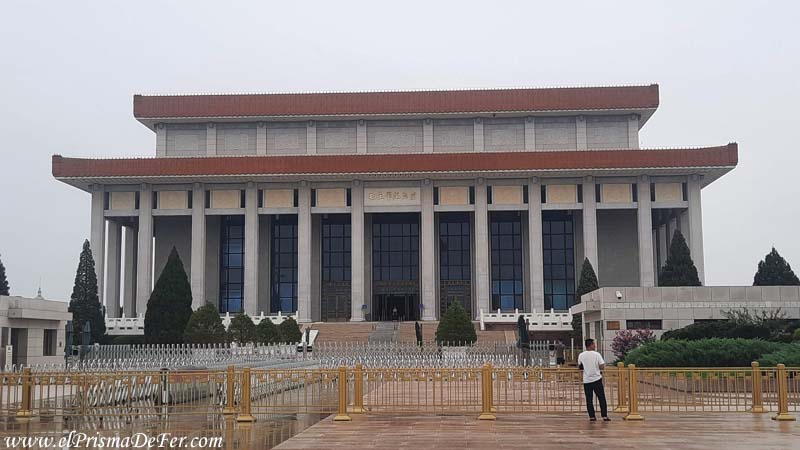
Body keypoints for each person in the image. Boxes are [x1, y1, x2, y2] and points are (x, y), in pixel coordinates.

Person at [578, 338, 610, 422]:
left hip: (587, 380)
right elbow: (602, 365)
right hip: (597, 378)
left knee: (589, 399)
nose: (595, 345)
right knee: (601, 398)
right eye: (594, 344)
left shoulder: (581, 355)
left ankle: (592, 416)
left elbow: (580, 367)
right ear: (591, 345)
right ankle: (604, 415)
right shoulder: (597, 354)